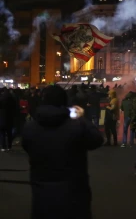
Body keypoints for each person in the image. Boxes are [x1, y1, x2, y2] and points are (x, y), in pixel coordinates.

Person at [22, 85, 103, 219]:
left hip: (42, 193)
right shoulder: (77, 125)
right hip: (74, 192)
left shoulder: (30, 127)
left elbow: (27, 146)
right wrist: (81, 118)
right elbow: (97, 140)